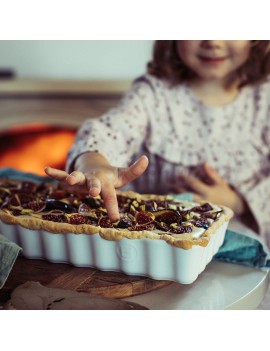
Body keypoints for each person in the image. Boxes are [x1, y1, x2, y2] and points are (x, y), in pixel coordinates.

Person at [45, 40, 270, 249]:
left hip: (242, 250)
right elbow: (110, 130)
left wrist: (237, 202)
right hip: (158, 246)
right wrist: (94, 163)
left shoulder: (265, 100)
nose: (213, 41)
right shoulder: (152, 94)